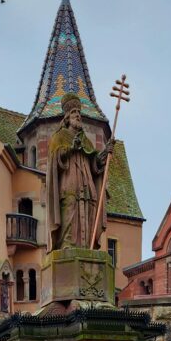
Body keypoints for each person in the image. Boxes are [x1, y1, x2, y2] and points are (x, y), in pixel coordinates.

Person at [46, 92, 114, 251]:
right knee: (70, 209)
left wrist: (104, 155)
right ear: (67, 118)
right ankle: (67, 244)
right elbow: (54, 159)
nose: (78, 116)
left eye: (79, 113)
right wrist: (70, 149)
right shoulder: (59, 136)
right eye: (74, 113)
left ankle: (85, 245)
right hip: (69, 181)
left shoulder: (86, 141)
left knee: (88, 210)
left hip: (87, 183)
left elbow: (94, 165)